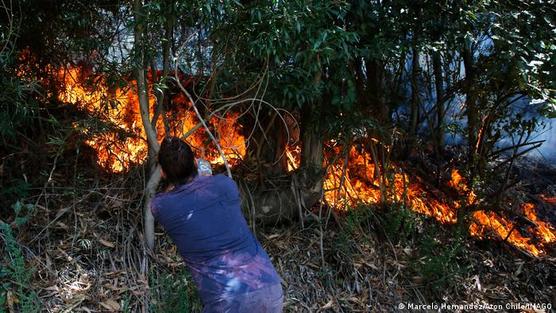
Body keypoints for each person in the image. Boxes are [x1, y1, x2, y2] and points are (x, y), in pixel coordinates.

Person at [150, 136, 283, 313]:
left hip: (228, 303)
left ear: (163, 174)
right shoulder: (226, 186)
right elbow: (206, 174)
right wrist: (201, 164)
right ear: (195, 163)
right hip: (269, 289)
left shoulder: (162, 207)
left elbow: (170, 192)